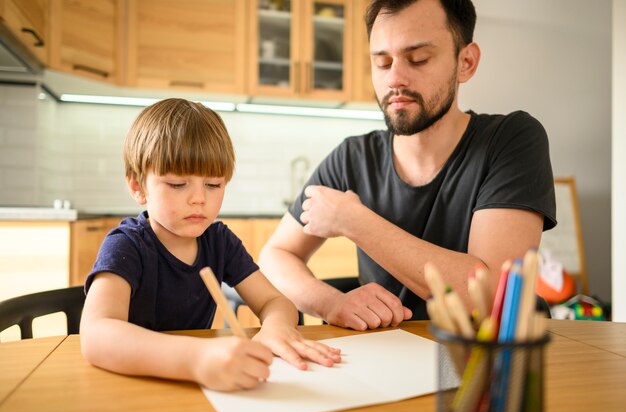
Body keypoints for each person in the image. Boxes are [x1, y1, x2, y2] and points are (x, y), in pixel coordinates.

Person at [259, 0, 556, 331]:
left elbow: (489, 298)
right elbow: (275, 255)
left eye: (418, 59)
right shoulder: (352, 158)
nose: (395, 79)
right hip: (391, 359)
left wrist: (354, 221)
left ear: (466, 62)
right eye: (382, 63)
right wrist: (331, 303)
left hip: (497, 361)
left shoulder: (511, 140)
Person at [80, 98, 340, 392]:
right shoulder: (126, 245)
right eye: (178, 184)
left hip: (199, 387)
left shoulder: (219, 241)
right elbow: (95, 336)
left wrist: (275, 327)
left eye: (213, 185)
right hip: (132, 383)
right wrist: (196, 359)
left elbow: (274, 302)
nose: (199, 199)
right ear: (138, 188)